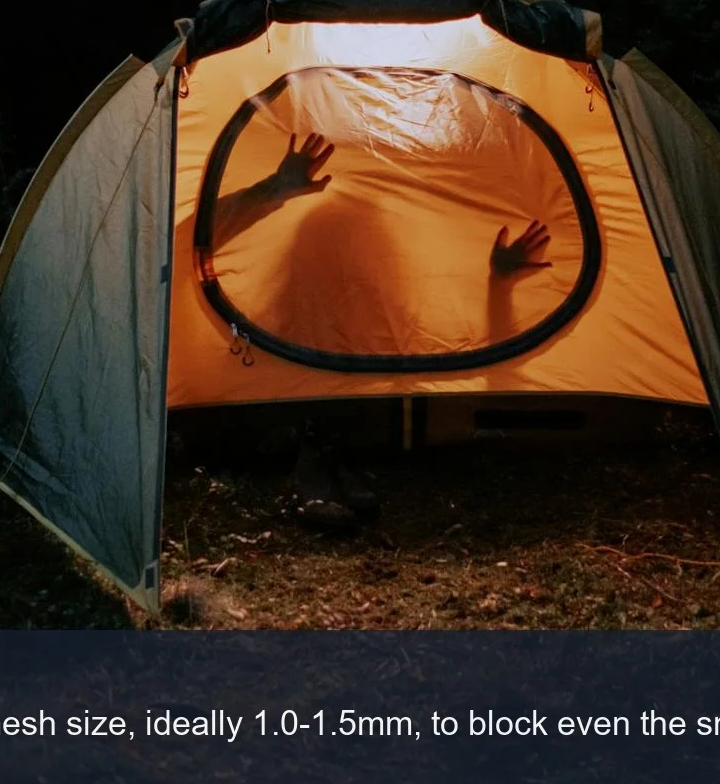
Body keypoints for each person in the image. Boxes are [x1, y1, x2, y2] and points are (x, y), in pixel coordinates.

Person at [208, 130, 554, 534]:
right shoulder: (267, 340)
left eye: (359, 253)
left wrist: (499, 283)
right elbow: (184, 245)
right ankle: (321, 459)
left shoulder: (403, 326)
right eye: (337, 255)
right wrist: (273, 189)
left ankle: (327, 459)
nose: (349, 273)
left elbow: (484, 371)